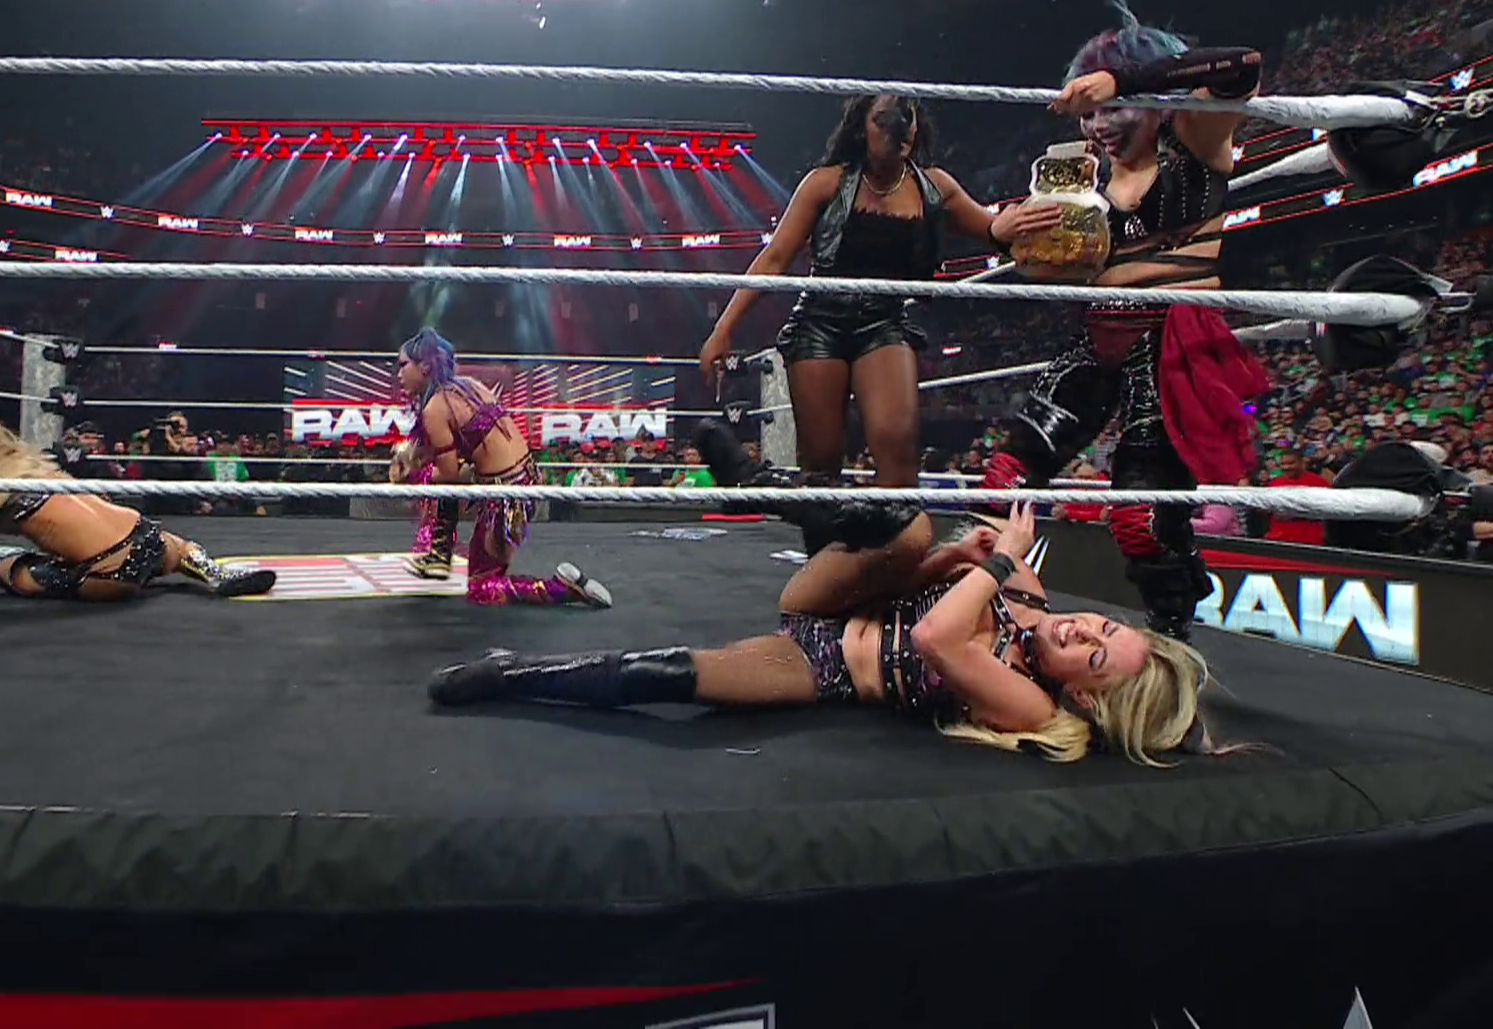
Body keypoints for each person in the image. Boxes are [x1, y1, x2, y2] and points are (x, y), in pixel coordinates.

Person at [429, 503, 1216, 767]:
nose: (1083, 628)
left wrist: (1000, 559)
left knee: (671, 675)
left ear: (1085, 695)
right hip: (837, 600)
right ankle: (784, 492)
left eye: (1093, 654)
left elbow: (937, 639)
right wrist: (957, 558)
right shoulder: (1028, 595)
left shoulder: (1031, 705)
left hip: (821, 664)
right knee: (912, 532)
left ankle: (509, 673)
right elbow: (912, 585)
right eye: (1104, 624)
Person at [977, 0, 1269, 640]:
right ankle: (990, 608)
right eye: (1089, 113)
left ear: (1155, 101)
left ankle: (1172, 639)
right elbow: (1045, 268)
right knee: (1004, 477)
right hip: (1099, 334)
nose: (1098, 125)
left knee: (1140, 517)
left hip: (1172, 340)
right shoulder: (1083, 181)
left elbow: (1242, 64)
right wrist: (1008, 235)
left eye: (1112, 108)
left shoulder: (1195, 142)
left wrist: (1125, 77)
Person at [696, 93, 1055, 509]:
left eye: (906, 117)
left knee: (898, 452)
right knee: (820, 469)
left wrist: (1012, 223)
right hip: (820, 323)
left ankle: (883, 546)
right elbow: (774, 258)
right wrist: (723, 328)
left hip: (885, 323)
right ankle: (819, 539)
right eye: (884, 119)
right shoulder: (826, 183)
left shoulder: (934, 186)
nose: (897, 128)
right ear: (861, 128)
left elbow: (992, 229)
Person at [0, 414, 276, 603]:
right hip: (148, 536)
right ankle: (212, 573)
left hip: (112, 571)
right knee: (177, 547)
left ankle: (79, 572)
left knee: (9, 570)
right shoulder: (37, 466)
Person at [393, 327, 612, 607]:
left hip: (506, 499)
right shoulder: (467, 387)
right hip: (523, 480)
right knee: (434, 478)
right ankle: (439, 554)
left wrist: (412, 473)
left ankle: (560, 588)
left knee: (482, 589)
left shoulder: (435, 408)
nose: (399, 374)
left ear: (424, 366)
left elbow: (448, 475)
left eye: (403, 365)